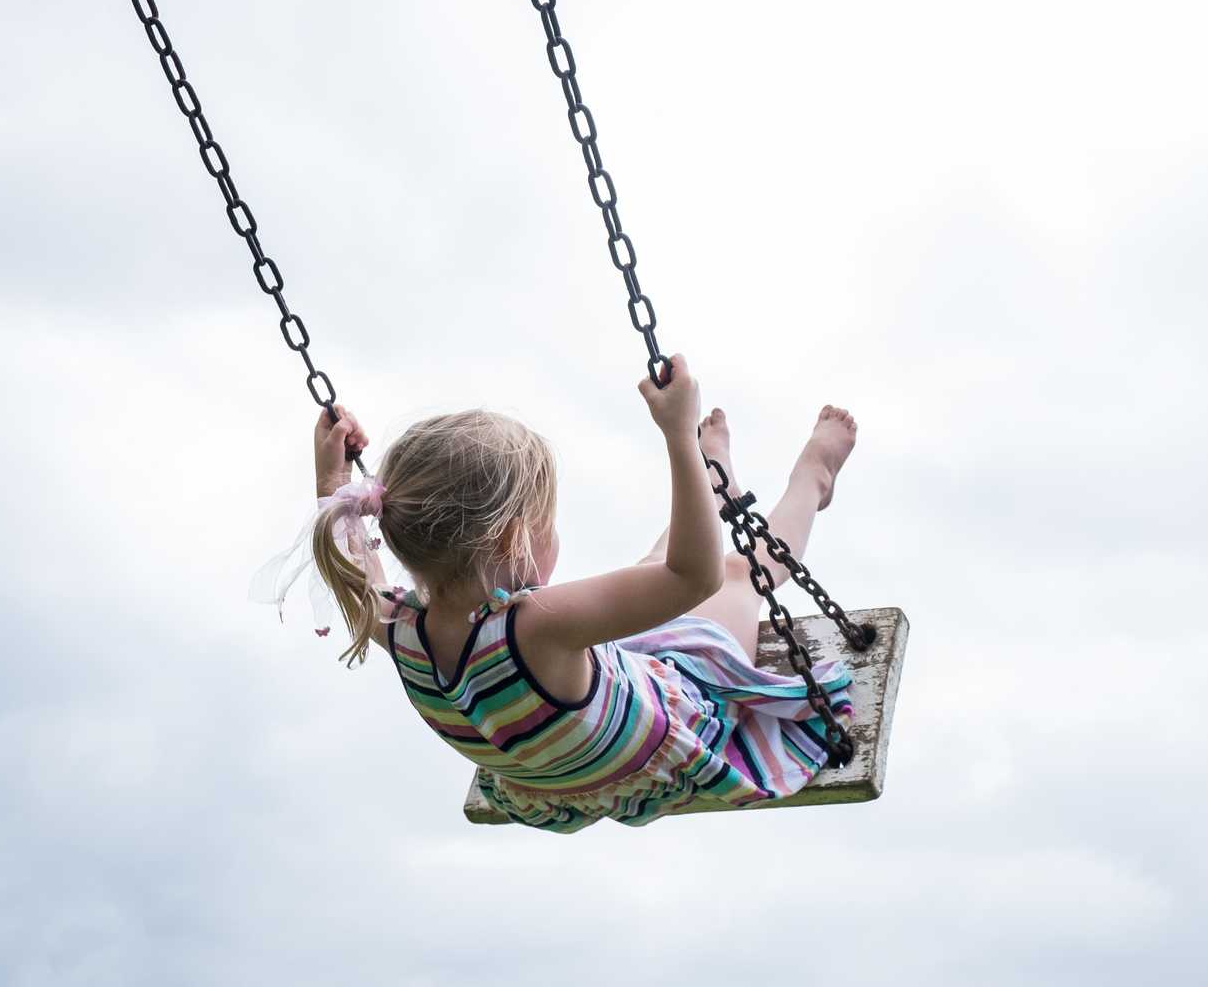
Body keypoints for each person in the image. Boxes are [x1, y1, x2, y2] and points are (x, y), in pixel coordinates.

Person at [258, 355, 859, 831]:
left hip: (547, 789)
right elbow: (693, 578)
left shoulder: (398, 629)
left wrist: (331, 479)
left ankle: (708, 486)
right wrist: (677, 434)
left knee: (651, 569)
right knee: (737, 576)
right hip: (672, 732)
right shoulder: (538, 626)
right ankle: (810, 481)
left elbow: (352, 570)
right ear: (517, 537)